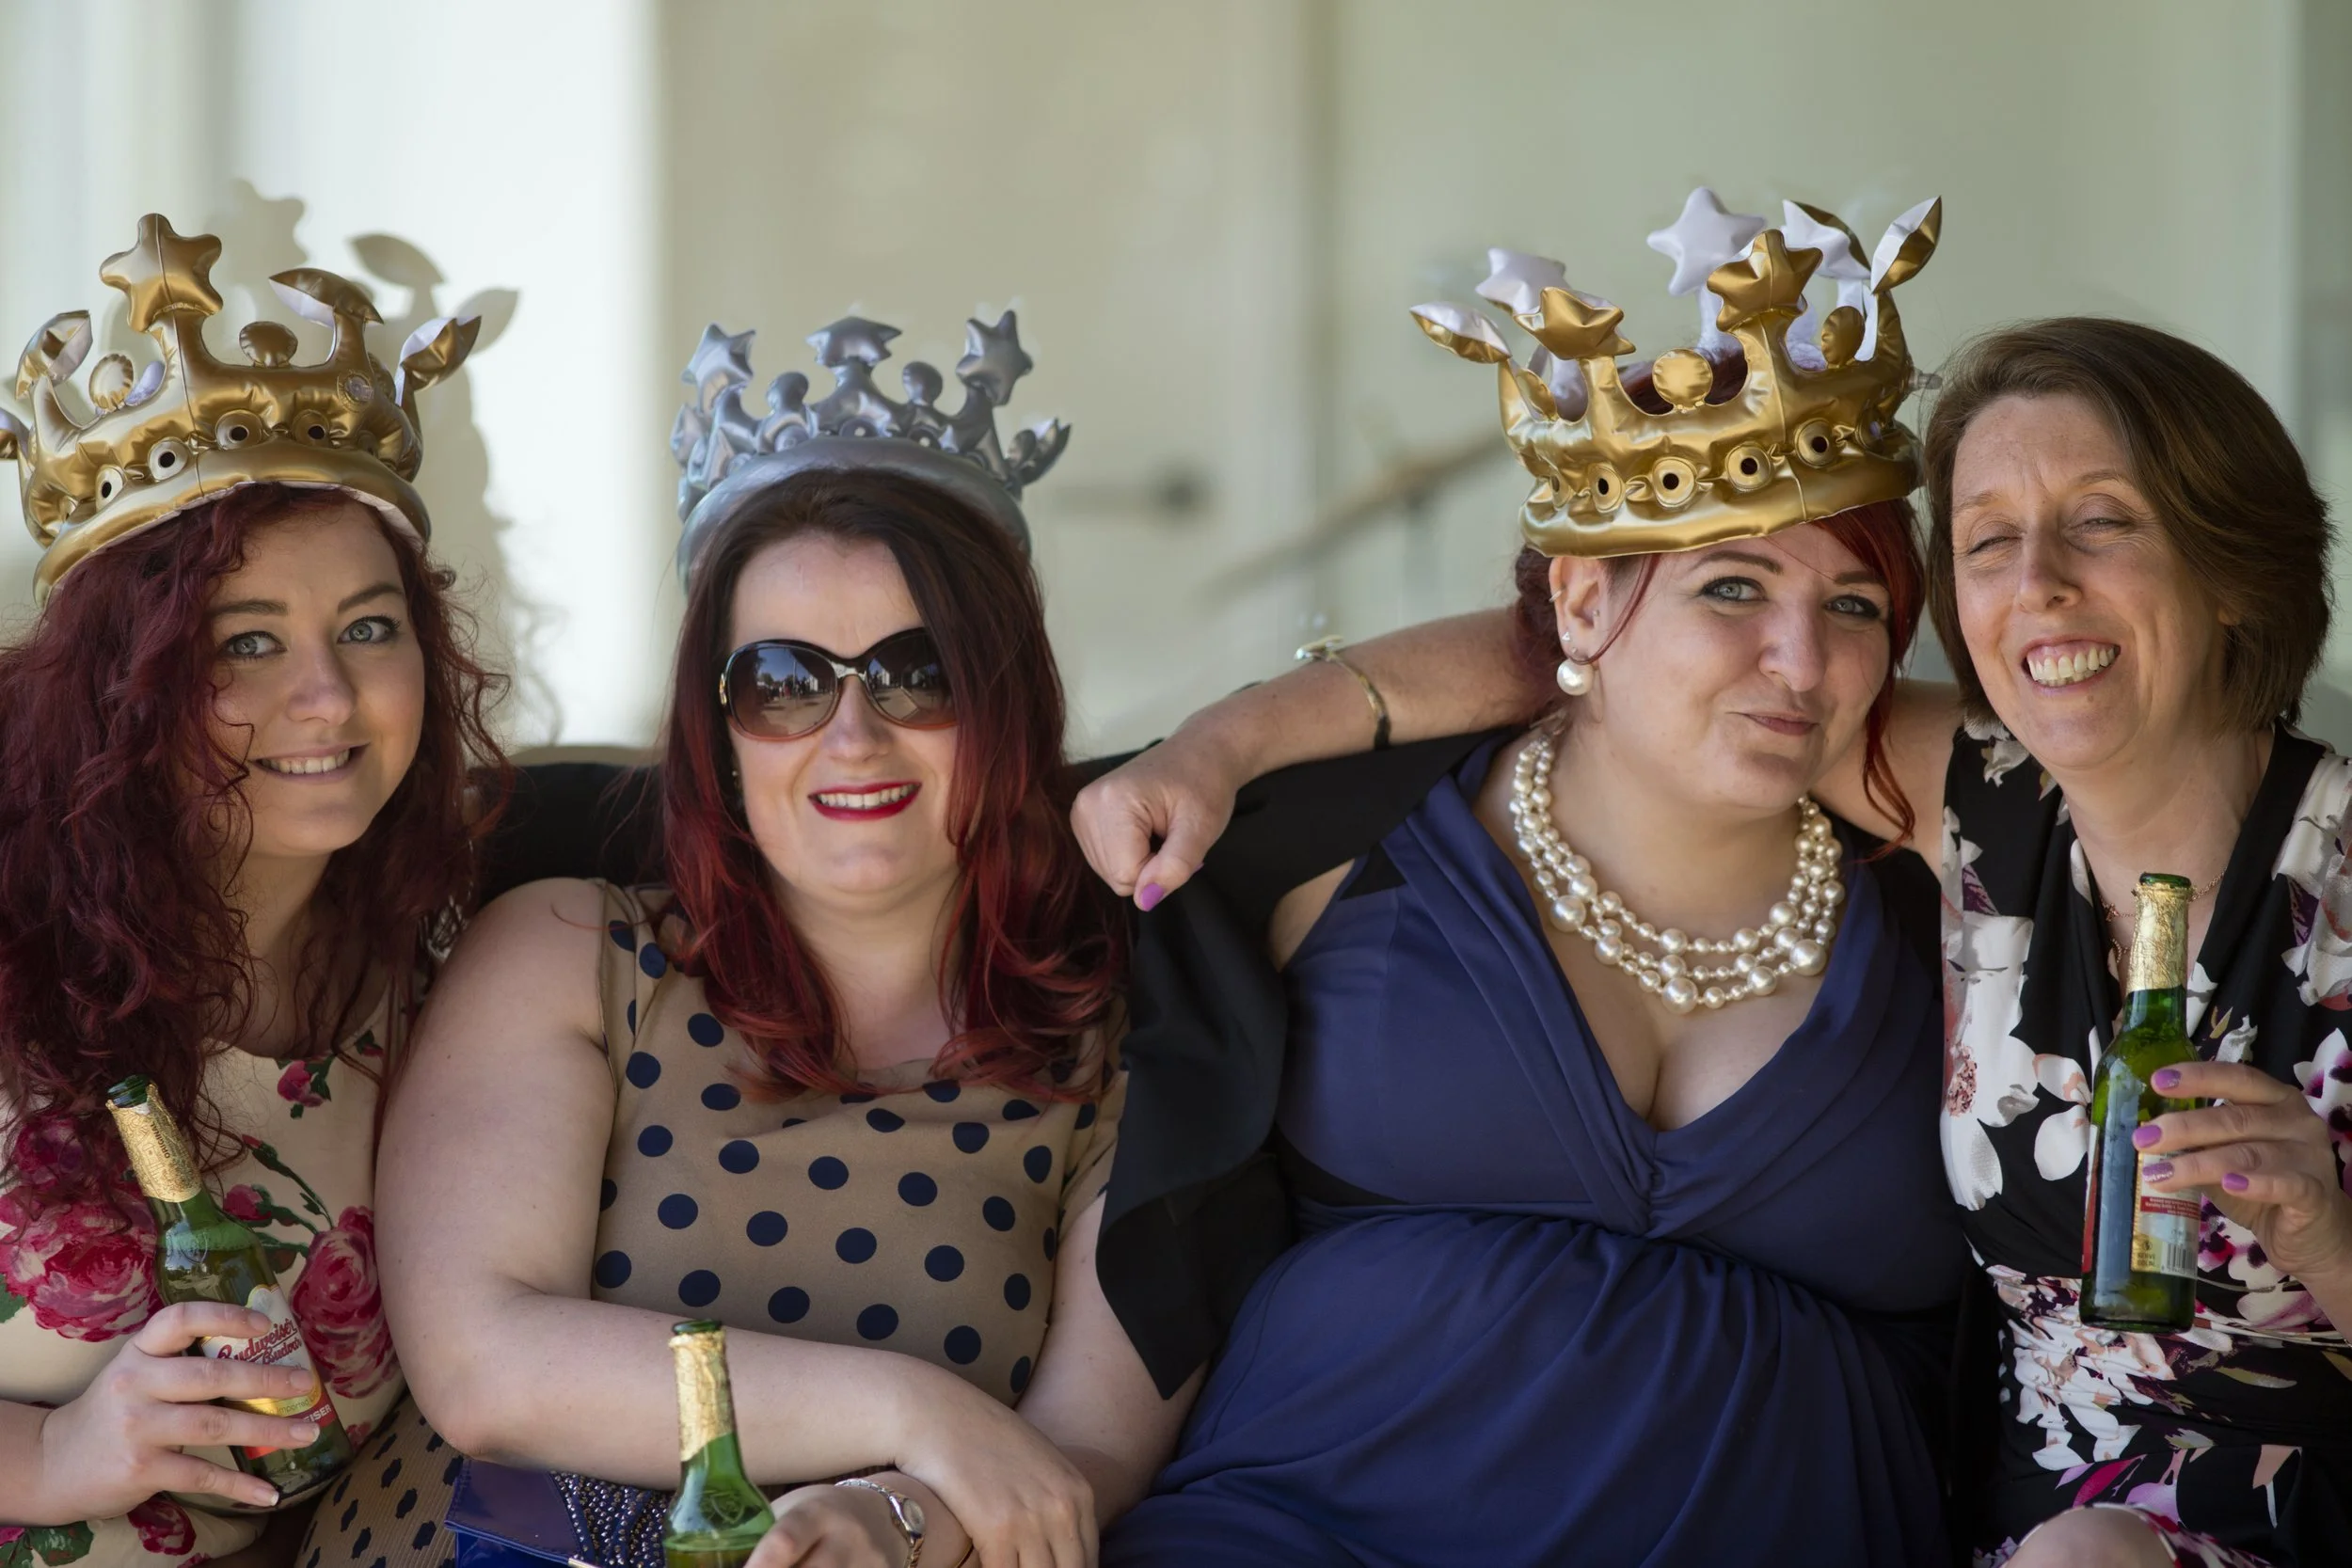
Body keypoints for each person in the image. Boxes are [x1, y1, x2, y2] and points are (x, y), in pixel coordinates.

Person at [1082, 316, 2352, 1564]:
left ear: (2236, 566)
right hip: (2018, 1522)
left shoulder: (2250, 852)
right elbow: (1599, 657)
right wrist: (1226, 742)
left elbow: (1674, 637)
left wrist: (2326, 1237)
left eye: (2103, 522)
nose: (2038, 589)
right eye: (1988, 543)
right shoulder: (1985, 796)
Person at [1078, 191, 1971, 1566]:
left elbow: (2108, 760)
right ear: (1579, 604)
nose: (1802, 660)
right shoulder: (1315, 845)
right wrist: (1232, 733)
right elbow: (1148, 1242)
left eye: (1853, 607)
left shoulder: (1965, 889)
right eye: (1732, 587)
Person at [372, 314, 1186, 1568]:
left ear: (1008, 704)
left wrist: (892, 1514)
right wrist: (910, 1412)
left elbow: (1083, 1456)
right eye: (786, 682)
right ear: (717, 727)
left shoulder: (1120, 1037)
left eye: (919, 673)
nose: (851, 735)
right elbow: (487, 1365)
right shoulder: (568, 949)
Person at [0, 217, 496, 1567]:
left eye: (370, 627)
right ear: (121, 682)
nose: (327, 698)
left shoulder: (446, 968)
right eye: (247, 642)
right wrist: (48, 1449)